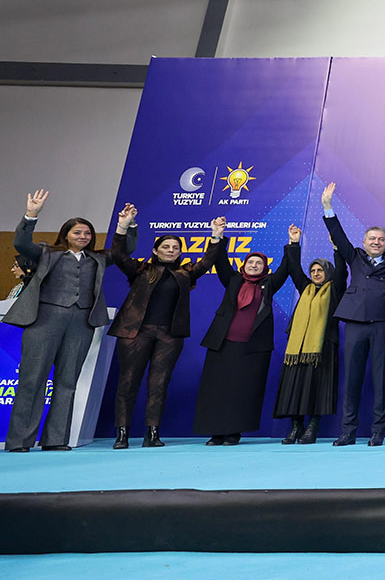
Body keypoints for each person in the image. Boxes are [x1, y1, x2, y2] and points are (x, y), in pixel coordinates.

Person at [5, 191, 137, 452]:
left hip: (81, 324)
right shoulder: (47, 253)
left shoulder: (98, 259)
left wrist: (125, 226)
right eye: (77, 232)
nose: (83, 237)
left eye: (87, 233)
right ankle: (20, 441)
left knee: (67, 382)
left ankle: (55, 439)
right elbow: (21, 243)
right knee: (32, 380)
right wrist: (31, 215)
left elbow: (125, 251)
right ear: (66, 234)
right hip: (44, 322)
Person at [107, 204, 225, 449]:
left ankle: (152, 434)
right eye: (166, 247)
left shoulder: (185, 273)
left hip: (169, 335)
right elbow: (118, 254)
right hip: (134, 332)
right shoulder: (140, 269)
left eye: (175, 248)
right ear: (155, 250)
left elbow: (207, 261)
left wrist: (216, 236)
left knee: (159, 384)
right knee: (128, 382)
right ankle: (122, 435)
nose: (171, 251)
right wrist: (122, 226)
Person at [323, 183, 385, 447]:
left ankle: (378, 432)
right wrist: (328, 207)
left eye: (381, 239)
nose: (376, 242)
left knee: (380, 380)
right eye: (372, 239)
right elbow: (338, 235)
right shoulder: (354, 256)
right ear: (364, 242)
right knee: (352, 380)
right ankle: (348, 431)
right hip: (356, 323)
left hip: (384, 323)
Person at [194, 229, 297, 445]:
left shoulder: (269, 284)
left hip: (253, 349)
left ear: (265, 268)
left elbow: (286, 267)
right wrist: (217, 236)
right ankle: (216, 432)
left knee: (242, 391)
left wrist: (292, 243)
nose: (254, 265)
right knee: (218, 389)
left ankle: (234, 432)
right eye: (250, 262)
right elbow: (221, 261)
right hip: (222, 345)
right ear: (243, 265)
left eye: (259, 263)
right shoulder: (232, 280)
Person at [274, 243, 346, 445]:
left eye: (320, 270)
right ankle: (296, 427)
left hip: (323, 348)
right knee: (295, 387)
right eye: (313, 270)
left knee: (318, 388)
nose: (316, 274)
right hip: (297, 349)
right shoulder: (305, 287)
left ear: (328, 272)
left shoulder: (335, 289)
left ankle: (312, 427)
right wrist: (294, 244)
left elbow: (342, 271)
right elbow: (294, 268)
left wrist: (337, 249)